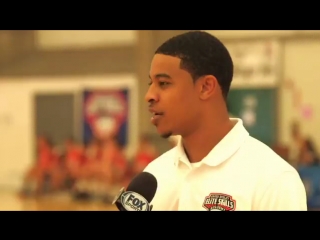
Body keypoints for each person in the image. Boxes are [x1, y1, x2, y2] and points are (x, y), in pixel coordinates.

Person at [142, 31, 307, 211]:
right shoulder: (154, 175)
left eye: (164, 83)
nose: (149, 96)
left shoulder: (273, 180)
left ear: (206, 87)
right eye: (150, 83)